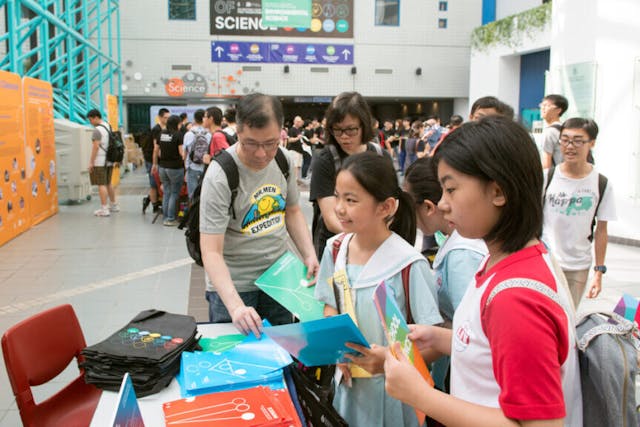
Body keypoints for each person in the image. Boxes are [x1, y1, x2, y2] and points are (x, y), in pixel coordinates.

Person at [384, 116, 582, 427]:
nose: (442, 204)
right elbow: (497, 353)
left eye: (450, 190)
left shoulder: (515, 298)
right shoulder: (507, 260)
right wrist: (441, 339)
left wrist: (420, 395)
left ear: (499, 192)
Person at [314, 151, 442, 427]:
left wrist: (389, 361)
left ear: (386, 207)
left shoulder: (409, 264)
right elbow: (330, 304)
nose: (339, 208)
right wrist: (336, 347)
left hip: (397, 394)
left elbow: (433, 343)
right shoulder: (335, 249)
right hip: (348, 389)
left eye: (351, 200)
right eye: (337, 196)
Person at [199, 93, 319, 337]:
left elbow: (293, 210)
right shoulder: (220, 174)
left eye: (271, 143)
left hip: (279, 280)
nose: (262, 154)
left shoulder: (283, 160)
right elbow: (211, 251)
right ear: (238, 131)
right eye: (251, 143)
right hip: (234, 286)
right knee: (237, 365)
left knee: (284, 353)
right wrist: (236, 307)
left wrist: (309, 254)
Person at [404, 156, 487, 390]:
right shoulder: (456, 241)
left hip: (462, 373)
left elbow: (471, 329)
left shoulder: (462, 253)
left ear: (428, 207)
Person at [542, 118, 616, 306]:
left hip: (578, 266)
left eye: (577, 140)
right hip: (546, 261)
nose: (569, 146)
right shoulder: (547, 177)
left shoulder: (601, 183)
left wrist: (598, 271)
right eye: (564, 140)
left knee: (568, 318)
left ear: (592, 143)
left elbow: (601, 230)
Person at [309, 91, 391, 258]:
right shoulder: (326, 160)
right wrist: (365, 237)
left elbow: (391, 206)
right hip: (337, 247)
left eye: (351, 130)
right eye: (337, 130)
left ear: (364, 125)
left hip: (377, 246)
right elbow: (332, 220)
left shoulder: (380, 156)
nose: (344, 137)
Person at [152, 115, 185, 226]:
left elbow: (156, 150)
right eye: (180, 124)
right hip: (175, 167)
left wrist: (155, 164)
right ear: (176, 124)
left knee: (166, 192)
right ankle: (170, 219)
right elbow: (182, 153)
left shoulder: (161, 134)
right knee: (174, 193)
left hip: (162, 167)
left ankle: (166, 216)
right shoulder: (178, 135)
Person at [87, 109, 118, 216]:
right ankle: (113, 205)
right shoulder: (108, 126)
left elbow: (96, 147)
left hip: (100, 161)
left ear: (96, 117)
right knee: (108, 183)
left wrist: (91, 162)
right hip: (109, 159)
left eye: (91, 120)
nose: (90, 122)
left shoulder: (97, 130)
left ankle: (104, 209)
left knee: (101, 184)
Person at [143, 108, 169, 214]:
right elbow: (156, 147)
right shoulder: (156, 129)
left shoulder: (166, 129)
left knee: (160, 183)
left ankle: (152, 200)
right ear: (159, 117)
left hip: (160, 160)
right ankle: (154, 204)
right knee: (154, 184)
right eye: (165, 117)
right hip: (152, 159)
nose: (167, 119)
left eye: (168, 117)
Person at [182, 109, 211, 198]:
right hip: (205, 167)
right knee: (204, 195)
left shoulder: (188, 134)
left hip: (192, 167)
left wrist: (185, 169)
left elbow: (185, 154)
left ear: (194, 119)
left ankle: (192, 210)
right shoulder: (209, 134)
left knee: (192, 195)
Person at [540, 94, 569, 168]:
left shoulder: (550, 132)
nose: (542, 108)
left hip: (555, 176)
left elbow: (546, 164)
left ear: (558, 110)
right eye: (542, 105)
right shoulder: (565, 129)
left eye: (546, 106)